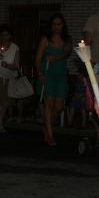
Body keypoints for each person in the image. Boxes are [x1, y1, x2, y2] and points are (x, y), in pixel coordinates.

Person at [35, 13, 72, 146]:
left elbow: (67, 52)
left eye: (59, 24)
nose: (57, 27)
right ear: (51, 26)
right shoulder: (45, 39)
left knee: (59, 106)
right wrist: (39, 74)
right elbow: (38, 58)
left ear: (63, 25)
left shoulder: (67, 39)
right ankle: (50, 135)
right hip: (47, 74)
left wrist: (56, 58)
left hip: (61, 75)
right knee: (48, 105)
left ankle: (47, 124)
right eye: (54, 24)